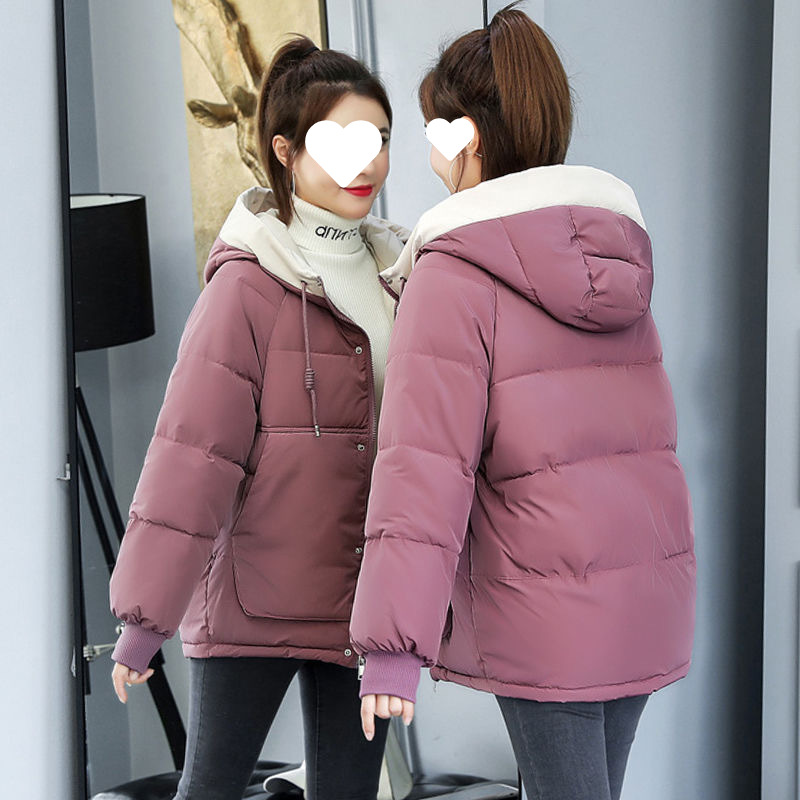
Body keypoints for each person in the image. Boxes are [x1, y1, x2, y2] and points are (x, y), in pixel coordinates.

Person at [348, 5, 697, 800]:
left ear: (465, 135)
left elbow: (423, 466)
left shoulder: (454, 270)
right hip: (645, 592)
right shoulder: (615, 254)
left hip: (547, 607)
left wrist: (392, 646)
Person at [107, 35, 411, 800]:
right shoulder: (246, 287)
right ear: (285, 150)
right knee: (209, 789)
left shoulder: (405, 277)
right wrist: (145, 620)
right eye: (340, 142)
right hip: (253, 602)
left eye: (379, 139)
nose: (367, 163)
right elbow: (191, 457)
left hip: (362, 605)